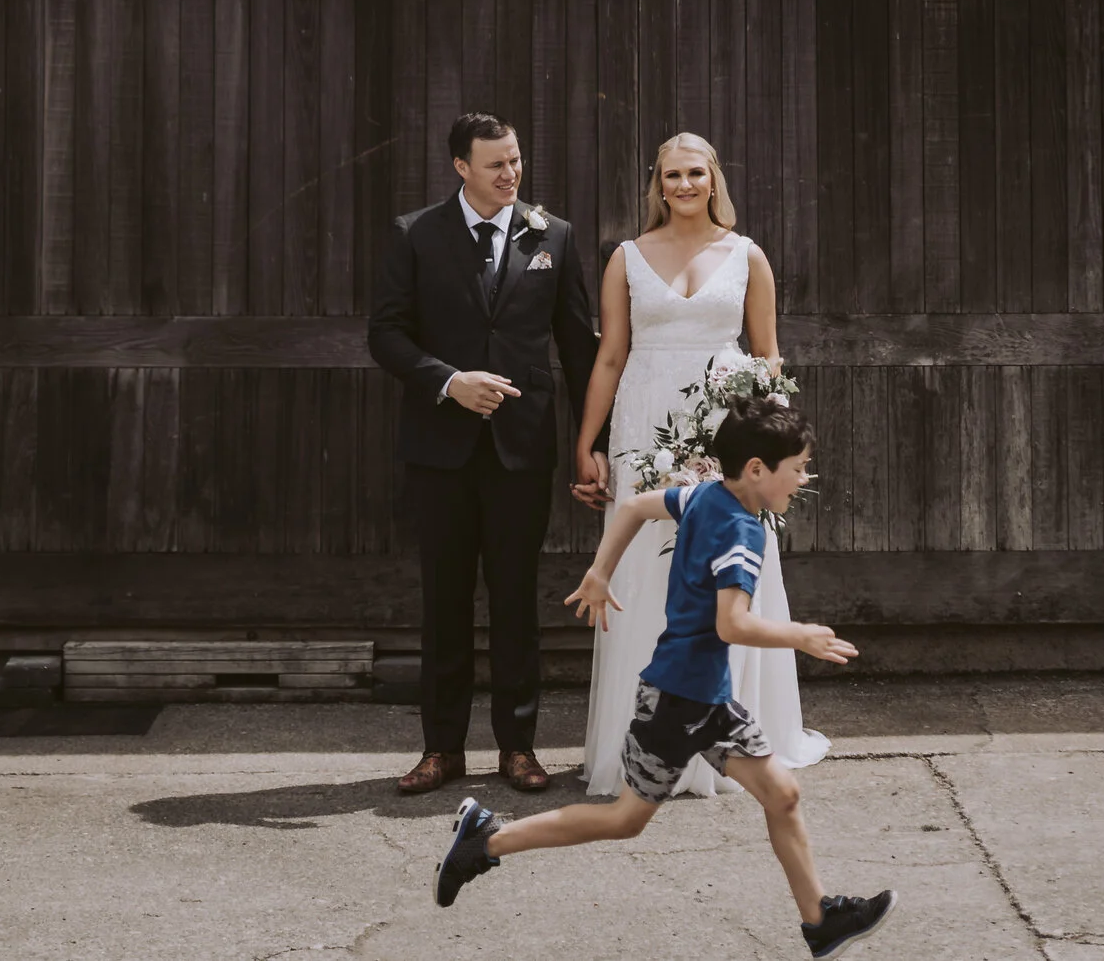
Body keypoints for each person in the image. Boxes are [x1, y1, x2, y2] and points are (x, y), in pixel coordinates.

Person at [432, 400, 897, 960]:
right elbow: (732, 623)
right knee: (625, 820)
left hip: (704, 698)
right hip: (679, 701)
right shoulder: (742, 534)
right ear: (756, 469)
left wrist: (600, 572)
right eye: (797, 468)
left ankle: (820, 921)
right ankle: (486, 840)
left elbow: (632, 506)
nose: (804, 479)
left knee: (783, 793)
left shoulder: (705, 495)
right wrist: (800, 635)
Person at [570, 133, 829, 796]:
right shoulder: (627, 258)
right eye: (671, 175)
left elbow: (768, 357)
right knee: (648, 560)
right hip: (644, 419)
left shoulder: (747, 255)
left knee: (723, 561)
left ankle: (735, 737)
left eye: (694, 173)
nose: (683, 185)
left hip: (725, 423)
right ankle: (647, 741)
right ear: (656, 184)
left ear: (714, 179)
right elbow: (610, 355)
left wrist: (766, 447)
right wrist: (587, 441)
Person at [367, 112, 600, 797]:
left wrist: (596, 443)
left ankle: (518, 748)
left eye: (516, 160)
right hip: (440, 450)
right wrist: (449, 381)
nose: (510, 173)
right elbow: (386, 333)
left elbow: (578, 347)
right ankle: (441, 749)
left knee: (516, 601)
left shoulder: (553, 236)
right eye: (495, 163)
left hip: (521, 449)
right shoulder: (416, 234)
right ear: (461, 167)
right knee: (444, 601)